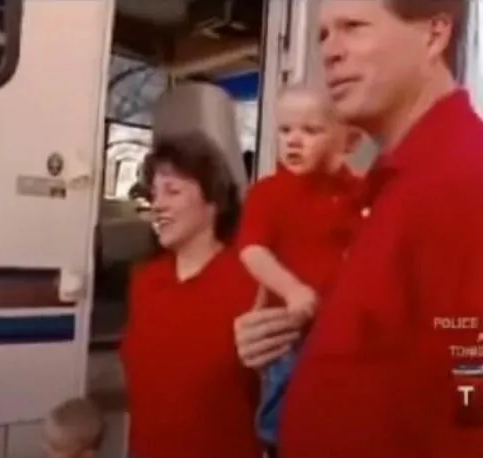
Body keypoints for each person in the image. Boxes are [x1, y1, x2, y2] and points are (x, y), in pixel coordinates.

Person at [234, 0, 483, 457]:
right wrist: (299, 334)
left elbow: (471, 403)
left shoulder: (463, 181)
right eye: (323, 35)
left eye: (353, 26)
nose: (329, 51)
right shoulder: (387, 187)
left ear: (434, 34)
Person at [120, 132, 264, 458]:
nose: (158, 205)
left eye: (173, 191)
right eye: (154, 194)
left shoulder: (252, 284)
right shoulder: (144, 282)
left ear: (213, 201)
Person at [237, 85, 362, 454]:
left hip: (343, 334)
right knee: (286, 406)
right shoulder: (269, 192)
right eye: (285, 130)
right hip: (290, 333)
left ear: (348, 143)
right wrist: (291, 289)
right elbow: (252, 250)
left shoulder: (359, 192)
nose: (293, 140)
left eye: (310, 130)